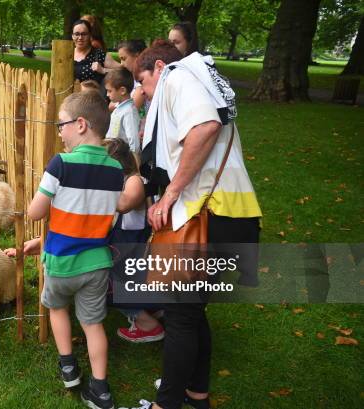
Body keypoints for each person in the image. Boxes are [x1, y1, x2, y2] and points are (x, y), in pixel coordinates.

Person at [118, 40, 262, 409]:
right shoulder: (203, 79)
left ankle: (167, 404)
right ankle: (196, 393)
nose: (145, 95)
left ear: (160, 67)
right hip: (232, 218)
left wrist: (169, 196)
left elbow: (204, 127)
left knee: (181, 314)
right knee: (192, 312)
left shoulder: (179, 77)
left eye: (144, 84)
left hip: (207, 218)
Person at [28, 90, 123, 409]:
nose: (60, 132)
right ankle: (100, 389)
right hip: (97, 262)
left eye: (61, 125)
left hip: (61, 261)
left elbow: (35, 212)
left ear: (80, 124)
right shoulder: (116, 170)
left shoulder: (60, 164)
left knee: (57, 309)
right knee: (93, 323)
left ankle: (68, 365)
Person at [103, 138, 164, 343]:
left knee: (103, 283)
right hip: (127, 253)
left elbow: (124, 204)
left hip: (134, 255)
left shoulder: (134, 181)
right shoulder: (123, 180)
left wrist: (95, 183)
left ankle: (148, 324)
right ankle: (152, 309)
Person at [72, 19, 121, 85]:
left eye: (84, 34)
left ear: (90, 35)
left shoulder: (99, 54)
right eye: (77, 34)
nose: (80, 37)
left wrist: (103, 70)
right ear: (72, 36)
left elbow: (123, 71)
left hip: (91, 94)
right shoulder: (66, 54)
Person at [105, 67, 141, 154]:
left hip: (123, 160)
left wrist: (133, 162)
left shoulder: (129, 112)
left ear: (122, 90)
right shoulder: (119, 109)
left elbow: (134, 142)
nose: (107, 94)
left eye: (110, 91)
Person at [117, 40, 147, 110]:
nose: (121, 64)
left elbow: (130, 109)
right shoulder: (131, 77)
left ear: (137, 56)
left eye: (124, 59)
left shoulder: (143, 80)